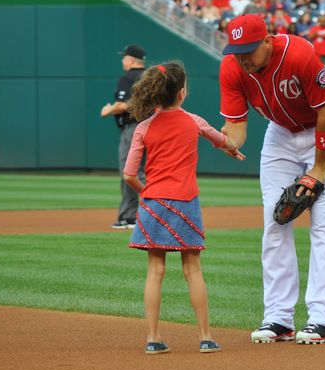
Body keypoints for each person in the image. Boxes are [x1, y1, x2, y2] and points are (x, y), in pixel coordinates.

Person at [219, 14, 325, 345]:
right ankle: (279, 317)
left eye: (248, 49)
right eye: (236, 50)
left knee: (323, 221)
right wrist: (228, 141)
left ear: (267, 41)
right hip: (280, 133)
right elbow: (237, 125)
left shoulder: (299, 54)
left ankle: (323, 318)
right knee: (274, 219)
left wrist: (318, 168)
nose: (242, 57)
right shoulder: (233, 69)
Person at [123, 61, 244, 354]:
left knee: (155, 271)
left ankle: (153, 339)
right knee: (193, 270)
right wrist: (231, 148)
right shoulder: (193, 121)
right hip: (186, 203)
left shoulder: (144, 127)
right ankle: (205, 337)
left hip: (154, 204)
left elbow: (129, 174)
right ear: (180, 93)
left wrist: (145, 193)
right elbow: (224, 140)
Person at [100, 44, 147, 230]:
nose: (122, 61)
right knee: (145, 171)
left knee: (130, 173)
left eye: (124, 57)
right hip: (153, 128)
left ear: (130, 60)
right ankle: (160, 210)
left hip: (133, 129)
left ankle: (129, 217)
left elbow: (123, 105)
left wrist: (107, 110)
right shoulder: (151, 76)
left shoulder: (128, 78)